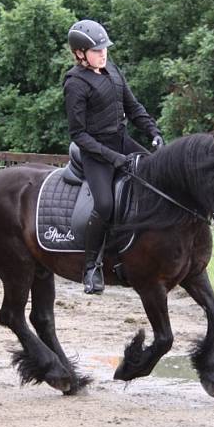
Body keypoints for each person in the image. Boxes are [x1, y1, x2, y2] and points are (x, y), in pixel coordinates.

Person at [63, 19, 164, 294]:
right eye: (97, 50)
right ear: (80, 53)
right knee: (105, 204)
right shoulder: (75, 83)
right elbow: (79, 135)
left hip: (121, 141)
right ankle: (91, 267)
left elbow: (133, 107)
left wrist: (153, 131)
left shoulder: (112, 70)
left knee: (158, 178)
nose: (103, 53)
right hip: (94, 152)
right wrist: (113, 158)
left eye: (104, 48)